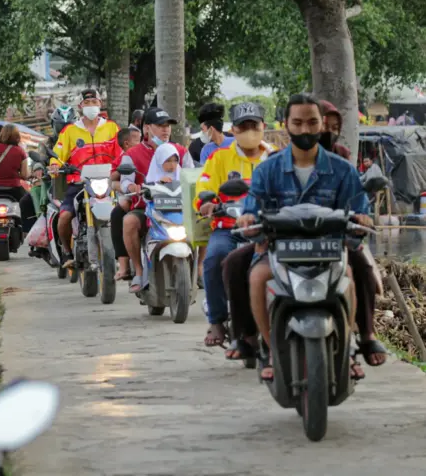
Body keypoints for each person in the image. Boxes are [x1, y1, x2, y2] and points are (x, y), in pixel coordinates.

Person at [237, 93, 372, 381]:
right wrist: (248, 218)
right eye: (297, 122)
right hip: (279, 250)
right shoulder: (267, 170)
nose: (305, 129)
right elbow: (251, 207)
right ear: (286, 124)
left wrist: (363, 219)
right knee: (257, 278)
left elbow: (361, 210)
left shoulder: (343, 170)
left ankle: (348, 348)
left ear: (323, 124)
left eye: (312, 122)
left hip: (329, 251)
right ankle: (270, 346)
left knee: (350, 275)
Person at [195, 102, 275, 347]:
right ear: (234, 130)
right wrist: (206, 203)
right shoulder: (219, 158)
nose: (249, 130)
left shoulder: (276, 157)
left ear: (263, 126)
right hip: (228, 228)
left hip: (268, 230)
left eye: (254, 125)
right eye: (243, 126)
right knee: (213, 258)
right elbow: (204, 187)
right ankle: (217, 320)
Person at [120, 107, 193, 290]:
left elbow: (192, 176)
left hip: (179, 208)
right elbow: (124, 182)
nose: (165, 130)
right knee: (129, 221)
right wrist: (132, 187)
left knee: (206, 219)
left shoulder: (181, 151)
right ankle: (138, 271)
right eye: (160, 126)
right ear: (147, 128)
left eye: (167, 126)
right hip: (148, 208)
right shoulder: (132, 154)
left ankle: (199, 268)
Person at [49, 89, 121, 268]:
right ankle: (66, 253)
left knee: (125, 214)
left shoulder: (112, 127)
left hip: (108, 182)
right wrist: (54, 165)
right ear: (80, 106)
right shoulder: (69, 131)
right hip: (79, 182)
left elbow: (121, 153)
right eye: (87, 103)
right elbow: (58, 155)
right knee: (64, 217)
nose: (91, 106)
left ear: (100, 104)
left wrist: (124, 166)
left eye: (94, 102)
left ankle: (124, 256)